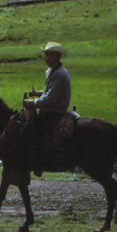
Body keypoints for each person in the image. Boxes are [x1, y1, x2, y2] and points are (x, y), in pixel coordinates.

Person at [21, 41, 71, 175]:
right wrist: (37, 93)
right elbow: (49, 92)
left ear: (58, 57)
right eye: (46, 55)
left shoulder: (59, 74)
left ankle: (37, 163)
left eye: (50, 55)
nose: (47, 58)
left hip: (53, 111)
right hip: (51, 109)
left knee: (32, 132)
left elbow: (51, 97)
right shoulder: (54, 71)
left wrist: (34, 103)